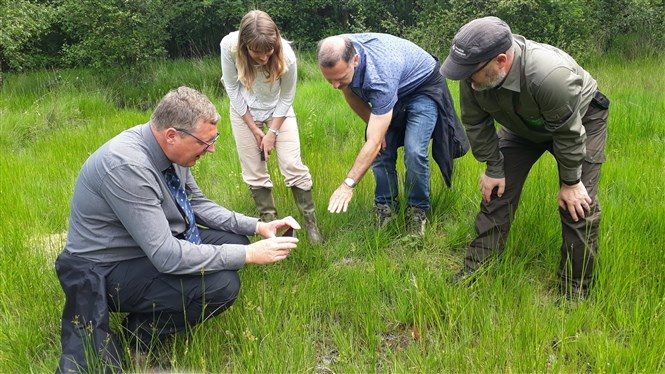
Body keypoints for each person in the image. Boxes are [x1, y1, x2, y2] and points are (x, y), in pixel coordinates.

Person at [54, 86, 300, 372]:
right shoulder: (127, 166)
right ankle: (140, 337)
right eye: (205, 142)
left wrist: (258, 226)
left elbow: (196, 203)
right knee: (221, 285)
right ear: (172, 135)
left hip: (140, 247)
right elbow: (167, 256)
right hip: (103, 269)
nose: (212, 149)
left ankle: (148, 317)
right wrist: (247, 255)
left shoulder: (168, 151)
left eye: (214, 139)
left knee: (234, 238)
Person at [440, 17, 610, 299]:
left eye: (471, 73)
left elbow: (568, 134)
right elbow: (475, 123)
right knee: (497, 192)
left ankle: (574, 291)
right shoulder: (474, 74)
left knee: (578, 206)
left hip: (579, 121)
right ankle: (477, 270)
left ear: (501, 60)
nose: (466, 80)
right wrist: (494, 167)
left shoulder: (550, 75)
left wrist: (571, 182)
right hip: (522, 124)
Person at [316, 33, 468, 236]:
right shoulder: (339, 49)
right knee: (381, 150)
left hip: (422, 88)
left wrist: (348, 184)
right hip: (396, 84)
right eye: (330, 80)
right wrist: (374, 126)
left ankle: (417, 210)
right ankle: (385, 207)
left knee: (414, 151)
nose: (335, 85)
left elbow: (374, 141)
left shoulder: (380, 75)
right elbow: (350, 94)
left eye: (341, 78)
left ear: (355, 60)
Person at [220, 10, 322, 243]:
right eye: (258, 53)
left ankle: (311, 225)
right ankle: (269, 228)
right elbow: (232, 89)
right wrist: (255, 129)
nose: (264, 58)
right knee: (254, 171)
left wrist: (272, 133)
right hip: (243, 108)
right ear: (245, 45)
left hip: (279, 110)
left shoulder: (287, 55)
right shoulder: (229, 46)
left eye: (269, 52)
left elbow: (287, 97)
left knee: (292, 165)